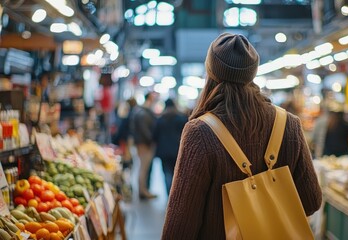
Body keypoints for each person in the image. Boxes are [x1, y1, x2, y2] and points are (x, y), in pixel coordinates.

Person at [162, 33, 322, 239]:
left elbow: (179, 229)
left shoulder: (200, 132)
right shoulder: (289, 123)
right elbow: (311, 201)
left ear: (211, 72)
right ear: (251, 73)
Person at [152, 98, 188, 196]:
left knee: (166, 174)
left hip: (163, 151)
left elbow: (154, 136)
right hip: (177, 150)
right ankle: (176, 194)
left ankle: (170, 195)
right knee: (177, 174)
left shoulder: (160, 119)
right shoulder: (181, 118)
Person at [129, 92, 157, 199]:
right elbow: (145, 130)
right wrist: (151, 140)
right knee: (143, 168)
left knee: (142, 167)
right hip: (144, 144)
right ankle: (142, 191)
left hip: (142, 143)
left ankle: (143, 190)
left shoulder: (140, 111)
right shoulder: (143, 112)